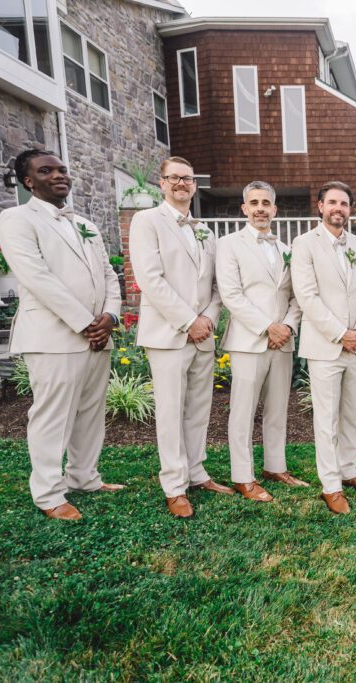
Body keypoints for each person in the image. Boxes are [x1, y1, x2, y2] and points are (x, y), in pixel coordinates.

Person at [0, 149, 124, 520]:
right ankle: (50, 493)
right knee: (52, 415)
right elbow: (36, 277)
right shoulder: (17, 218)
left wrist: (110, 317)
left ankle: (85, 477)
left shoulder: (85, 223)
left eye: (62, 169)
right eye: (46, 171)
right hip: (53, 336)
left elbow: (109, 274)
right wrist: (85, 322)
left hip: (98, 335)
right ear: (29, 181)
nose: (58, 175)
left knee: (90, 412)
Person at [129, 156, 231, 518]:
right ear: (161, 183)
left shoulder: (204, 230)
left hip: (202, 334)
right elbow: (150, 278)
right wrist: (189, 320)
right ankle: (174, 485)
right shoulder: (146, 221)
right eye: (173, 178)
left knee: (199, 409)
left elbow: (218, 286)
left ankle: (196, 471)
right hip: (169, 335)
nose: (181, 184)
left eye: (186, 179)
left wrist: (207, 318)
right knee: (171, 411)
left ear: (194, 185)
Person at [291, 181, 356, 515]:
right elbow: (307, 296)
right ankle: (331, 485)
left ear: (350, 209)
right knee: (325, 418)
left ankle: (349, 469)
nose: (338, 208)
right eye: (332, 202)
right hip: (325, 346)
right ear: (320, 206)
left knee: (352, 413)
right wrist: (341, 333)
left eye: (344, 203)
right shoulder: (304, 244)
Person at [215, 181, 305, 503]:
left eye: (266, 203)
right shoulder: (228, 245)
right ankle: (243, 476)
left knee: (278, 408)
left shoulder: (285, 250)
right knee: (243, 411)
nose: (260, 208)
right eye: (254, 203)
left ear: (275, 209)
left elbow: (296, 297)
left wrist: (288, 328)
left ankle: (274, 466)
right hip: (248, 341)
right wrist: (268, 327)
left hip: (283, 342)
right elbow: (231, 295)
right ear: (244, 208)